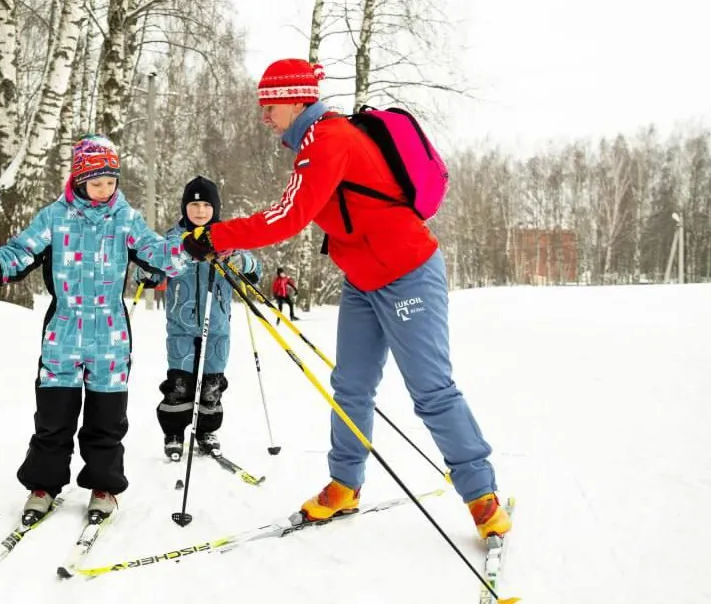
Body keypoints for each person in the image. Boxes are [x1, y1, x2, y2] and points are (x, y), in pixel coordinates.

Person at [178, 59, 511, 539]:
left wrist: (218, 235)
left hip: (407, 273)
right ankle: (345, 485)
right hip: (362, 279)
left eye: (268, 106)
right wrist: (218, 239)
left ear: (293, 99)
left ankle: (482, 495)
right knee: (351, 386)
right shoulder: (315, 143)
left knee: (431, 390)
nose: (264, 116)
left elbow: (289, 216)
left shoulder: (329, 141)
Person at [0, 134, 187, 522]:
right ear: (79, 180)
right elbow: (22, 251)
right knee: (53, 418)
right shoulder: (55, 216)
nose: (104, 190)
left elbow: (156, 252)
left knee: (107, 419)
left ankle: (103, 486)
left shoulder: (126, 218)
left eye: (111, 182)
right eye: (96, 182)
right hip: (63, 332)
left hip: (110, 334)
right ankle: (44, 485)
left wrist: (189, 248)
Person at [136, 176, 260, 460]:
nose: (201, 211)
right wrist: (146, 272)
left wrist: (243, 263)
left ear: (215, 208)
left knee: (211, 386)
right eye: (194, 205)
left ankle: (206, 431)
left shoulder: (229, 238)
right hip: (181, 326)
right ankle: (175, 432)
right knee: (180, 385)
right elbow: (153, 270)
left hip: (217, 327)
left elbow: (254, 269)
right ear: (185, 208)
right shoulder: (171, 240)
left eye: (206, 205)